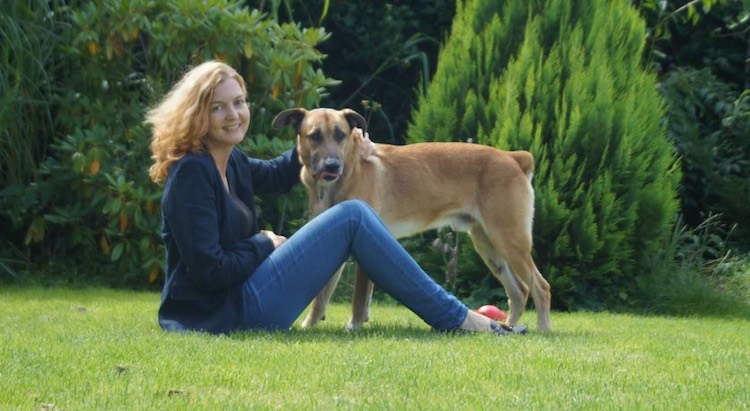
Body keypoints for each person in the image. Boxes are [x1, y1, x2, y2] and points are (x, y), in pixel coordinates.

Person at [146, 60, 524, 336]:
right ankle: (459, 319)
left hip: (243, 300)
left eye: (239, 102)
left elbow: (280, 173)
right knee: (354, 214)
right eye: (219, 107)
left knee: (353, 214)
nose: (234, 114)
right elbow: (209, 271)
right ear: (197, 115)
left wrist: (345, 145)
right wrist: (263, 243)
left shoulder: (231, 162)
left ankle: (459, 317)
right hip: (221, 315)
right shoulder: (191, 173)